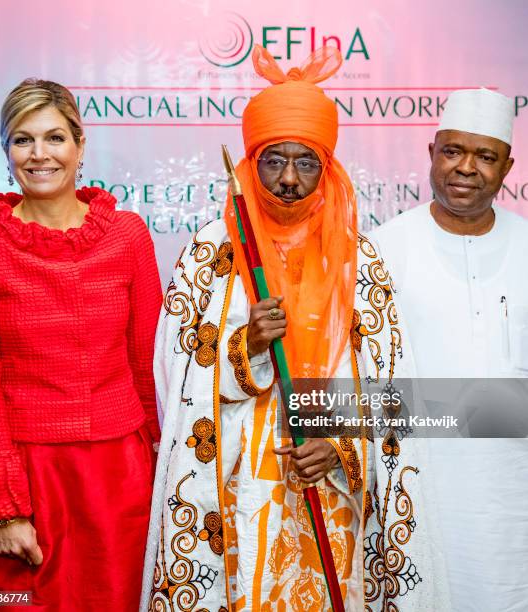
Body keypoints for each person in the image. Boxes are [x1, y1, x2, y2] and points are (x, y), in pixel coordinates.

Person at [140, 46, 447, 611]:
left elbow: (390, 385)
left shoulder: (360, 259)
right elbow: (173, 379)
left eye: (305, 161)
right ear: (248, 163)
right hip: (235, 483)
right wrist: (245, 346)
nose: (287, 179)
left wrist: (343, 446)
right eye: (272, 160)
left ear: (327, 167)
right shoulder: (213, 251)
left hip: (328, 486)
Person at [0, 79, 162, 611]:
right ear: (5, 153)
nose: (40, 154)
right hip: (22, 478)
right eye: (22, 140)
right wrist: (2, 509)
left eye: (55, 138)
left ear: (80, 146)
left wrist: (165, 475)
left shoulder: (128, 236)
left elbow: (149, 369)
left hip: (118, 478)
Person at [372, 88, 528, 611]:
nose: (466, 168)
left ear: (507, 166)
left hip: (513, 491)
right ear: (432, 153)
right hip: (419, 482)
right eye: (453, 152)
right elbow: (349, 379)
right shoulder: (381, 250)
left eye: (485, 156)